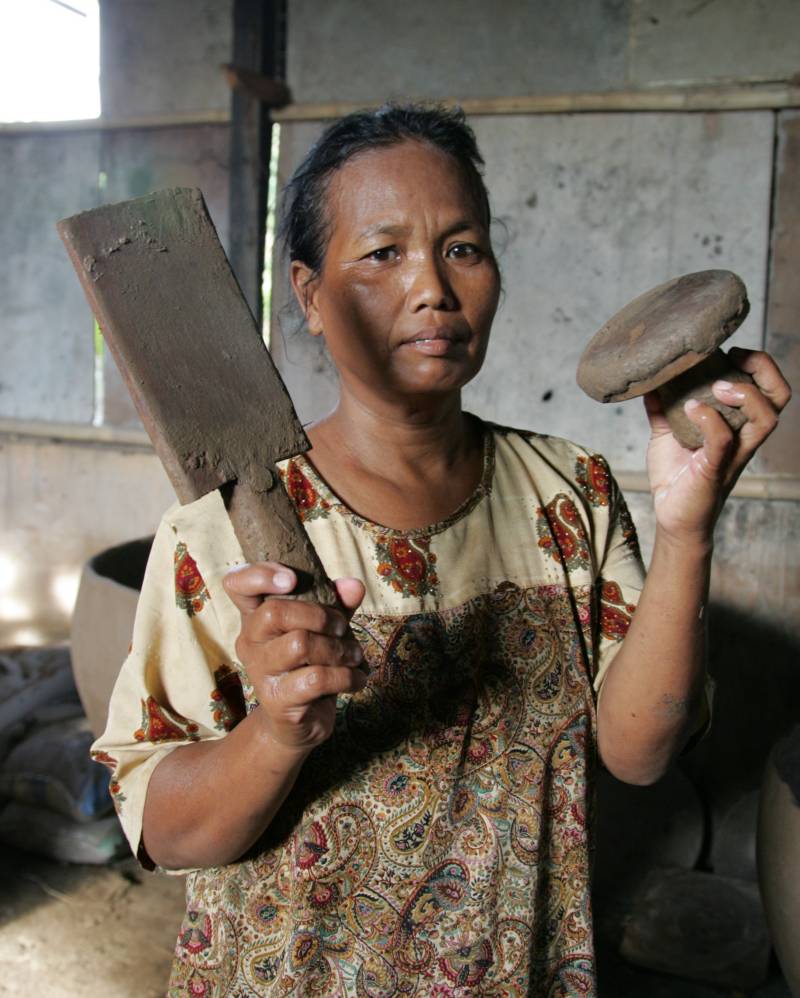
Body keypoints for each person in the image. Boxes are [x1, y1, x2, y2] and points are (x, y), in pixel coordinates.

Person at [92, 104, 791, 997]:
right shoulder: (221, 532)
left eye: (462, 248)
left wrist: (688, 527)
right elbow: (163, 829)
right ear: (307, 293)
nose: (432, 287)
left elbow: (640, 755)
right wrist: (275, 733)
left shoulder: (567, 493)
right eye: (382, 254)